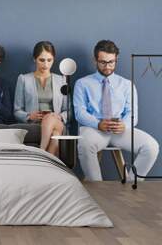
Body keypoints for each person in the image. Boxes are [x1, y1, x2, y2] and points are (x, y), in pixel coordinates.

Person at [73, 40, 159, 181]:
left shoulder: (126, 84)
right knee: (85, 143)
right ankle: (96, 188)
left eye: (111, 62)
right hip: (94, 129)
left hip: (120, 130)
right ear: (95, 60)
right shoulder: (82, 83)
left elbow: (132, 113)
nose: (107, 67)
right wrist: (98, 123)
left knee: (151, 146)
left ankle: (133, 183)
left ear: (116, 59)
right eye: (103, 62)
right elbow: (79, 113)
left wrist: (124, 124)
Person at [14, 41, 67, 156]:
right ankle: (47, 163)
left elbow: (69, 110)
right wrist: (29, 116)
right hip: (34, 123)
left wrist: (59, 116)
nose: (46, 65)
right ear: (34, 59)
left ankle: (41, 152)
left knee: (50, 118)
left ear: (53, 59)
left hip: (56, 121)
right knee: (56, 137)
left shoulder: (61, 80)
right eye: (42, 60)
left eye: (49, 60)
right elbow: (16, 110)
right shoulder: (23, 79)